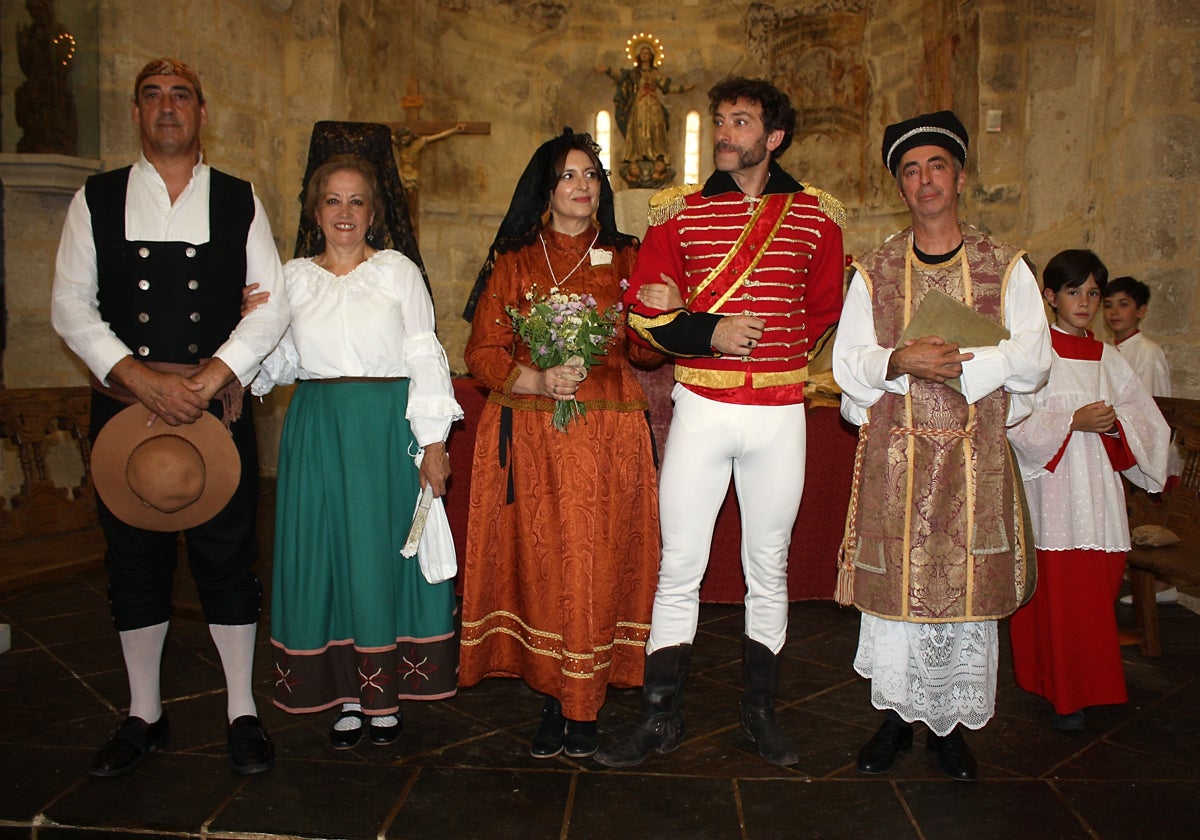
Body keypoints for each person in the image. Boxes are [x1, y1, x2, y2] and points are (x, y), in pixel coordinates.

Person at [596, 77, 846, 769]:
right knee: (679, 567)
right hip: (701, 408)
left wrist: (775, 356)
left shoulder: (818, 218)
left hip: (779, 416)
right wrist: (709, 331)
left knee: (768, 568)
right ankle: (658, 719)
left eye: (741, 122)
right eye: (721, 121)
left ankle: (759, 716)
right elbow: (644, 322)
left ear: (774, 137)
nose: (725, 133)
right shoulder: (674, 216)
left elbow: (824, 310)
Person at [51, 58, 289, 777]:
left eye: (180, 96)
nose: (166, 108)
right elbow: (70, 306)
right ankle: (143, 714)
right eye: (152, 96)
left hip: (215, 411)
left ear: (201, 112)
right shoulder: (94, 199)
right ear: (135, 112)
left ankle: (241, 711)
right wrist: (142, 380)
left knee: (227, 557)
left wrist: (214, 375)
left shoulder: (240, 198)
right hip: (128, 412)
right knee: (135, 562)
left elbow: (271, 303)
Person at [831, 110, 1051, 781]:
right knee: (900, 592)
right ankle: (896, 720)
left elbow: (1035, 358)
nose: (924, 181)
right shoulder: (871, 271)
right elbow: (848, 364)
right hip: (898, 463)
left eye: (936, 166)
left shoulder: (1004, 266)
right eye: (910, 170)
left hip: (973, 462)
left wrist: (962, 366)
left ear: (959, 177)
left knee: (961, 595)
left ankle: (950, 730)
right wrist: (899, 360)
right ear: (901, 186)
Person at [457, 130, 662, 760]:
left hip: (608, 437)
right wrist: (540, 379)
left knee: (596, 564)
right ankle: (552, 695)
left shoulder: (628, 255)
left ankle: (587, 702)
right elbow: (482, 355)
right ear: (545, 191)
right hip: (537, 437)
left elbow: (647, 353)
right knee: (547, 568)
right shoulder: (515, 261)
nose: (583, 186)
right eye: (569, 176)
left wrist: (658, 314)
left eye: (591, 176)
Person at [251, 152, 462, 748]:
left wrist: (433, 443)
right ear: (316, 210)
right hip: (317, 427)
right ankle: (345, 693)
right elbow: (281, 365)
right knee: (327, 553)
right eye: (333, 201)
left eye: (356, 201)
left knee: (374, 554)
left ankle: (382, 694)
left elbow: (424, 353)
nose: (344, 212)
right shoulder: (292, 279)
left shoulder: (397, 271)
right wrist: (253, 326)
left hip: (384, 429)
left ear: (373, 211)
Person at [1008, 250, 1170, 730]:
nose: (1085, 302)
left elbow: (1147, 421)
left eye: (1093, 293)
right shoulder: (1036, 355)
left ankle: (1090, 685)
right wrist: (1072, 421)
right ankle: (1058, 689)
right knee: (1057, 593)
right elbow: (1013, 420)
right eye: (1073, 292)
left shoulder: (1110, 359)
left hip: (1098, 492)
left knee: (1094, 592)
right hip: (1052, 493)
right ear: (1050, 297)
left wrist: (1117, 426)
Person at [1103, 275, 1180, 606]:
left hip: (1144, 447)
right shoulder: (1109, 351)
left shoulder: (1146, 352)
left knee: (1149, 516)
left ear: (1141, 311)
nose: (1114, 312)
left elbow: (1150, 407)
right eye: (1108, 305)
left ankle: (1160, 585)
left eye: (1124, 304)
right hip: (1120, 442)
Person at [597, 40, 692, 188]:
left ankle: (656, 155)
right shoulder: (633, 74)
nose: (645, 56)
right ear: (638, 56)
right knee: (638, 130)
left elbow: (667, 86)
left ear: (652, 56)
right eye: (642, 53)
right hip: (639, 106)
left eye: (648, 53)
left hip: (653, 106)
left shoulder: (655, 73)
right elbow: (619, 75)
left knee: (656, 129)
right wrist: (607, 70)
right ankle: (637, 155)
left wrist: (683, 88)